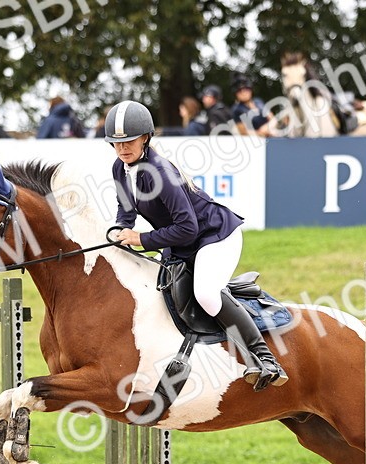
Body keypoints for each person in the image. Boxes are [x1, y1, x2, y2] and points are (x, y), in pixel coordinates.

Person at [103, 100, 286, 390]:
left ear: (146, 138)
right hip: (182, 243)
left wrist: (141, 239)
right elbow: (126, 213)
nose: (123, 148)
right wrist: (118, 230)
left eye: (129, 141)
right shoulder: (119, 168)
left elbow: (187, 228)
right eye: (116, 143)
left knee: (207, 295)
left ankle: (264, 359)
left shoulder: (161, 172)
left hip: (215, 236)